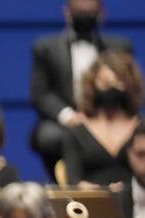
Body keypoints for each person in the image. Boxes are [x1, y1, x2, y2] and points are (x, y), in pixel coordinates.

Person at [29, 0, 134, 174]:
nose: (85, 15)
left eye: (90, 11)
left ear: (102, 13)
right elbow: (40, 94)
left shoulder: (120, 47)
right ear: (67, 12)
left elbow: (131, 87)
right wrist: (70, 116)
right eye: (80, 11)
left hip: (109, 114)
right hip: (67, 119)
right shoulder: (46, 48)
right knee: (49, 136)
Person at [61, 51, 141, 188]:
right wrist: (89, 189)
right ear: (92, 86)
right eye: (105, 83)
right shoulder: (76, 132)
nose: (111, 89)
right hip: (91, 203)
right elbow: (72, 180)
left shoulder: (141, 129)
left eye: (118, 83)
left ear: (129, 86)